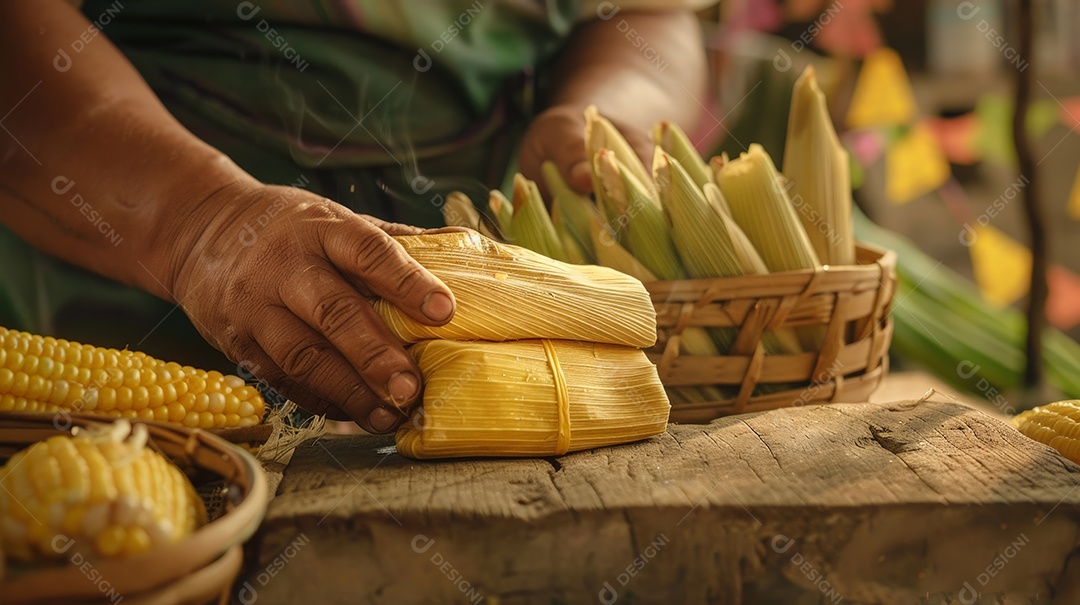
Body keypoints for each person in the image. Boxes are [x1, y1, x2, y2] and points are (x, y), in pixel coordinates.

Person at [0, 0, 709, 434]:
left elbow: (647, 15)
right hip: (117, 306)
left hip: (488, 360)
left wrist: (604, 115)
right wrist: (201, 226)